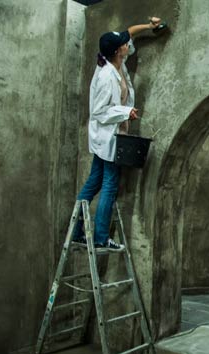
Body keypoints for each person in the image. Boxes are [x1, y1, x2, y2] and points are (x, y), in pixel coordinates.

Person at [73, 17, 163, 251]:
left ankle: (76, 231)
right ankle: (101, 237)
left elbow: (128, 32)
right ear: (117, 50)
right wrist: (126, 111)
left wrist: (149, 26)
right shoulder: (105, 76)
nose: (127, 42)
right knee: (109, 185)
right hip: (107, 138)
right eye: (124, 43)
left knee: (94, 182)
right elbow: (99, 112)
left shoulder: (117, 62)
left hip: (112, 136)